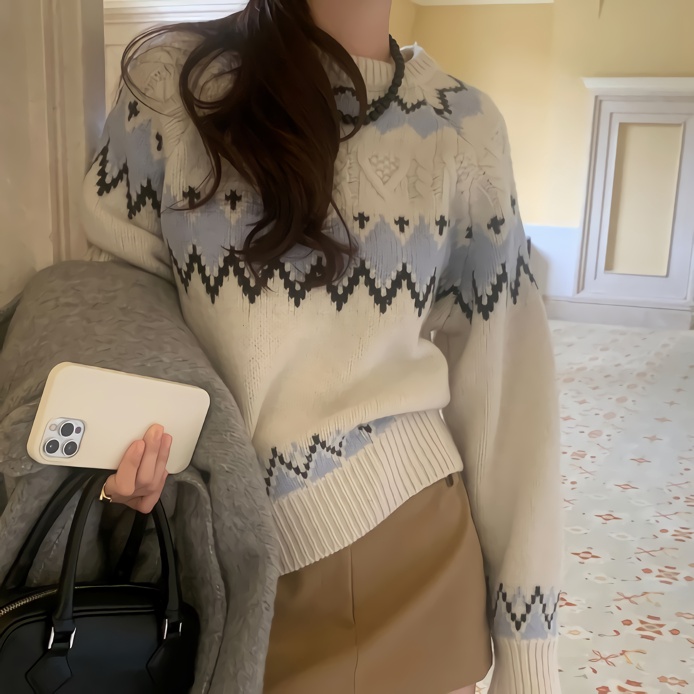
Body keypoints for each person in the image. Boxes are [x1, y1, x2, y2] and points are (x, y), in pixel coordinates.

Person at [82, 0, 564, 692]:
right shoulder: (171, 87)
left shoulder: (463, 127)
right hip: (212, 565)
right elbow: (113, 316)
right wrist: (117, 471)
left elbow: (512, 395)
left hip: (414, 563)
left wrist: (528, 654)